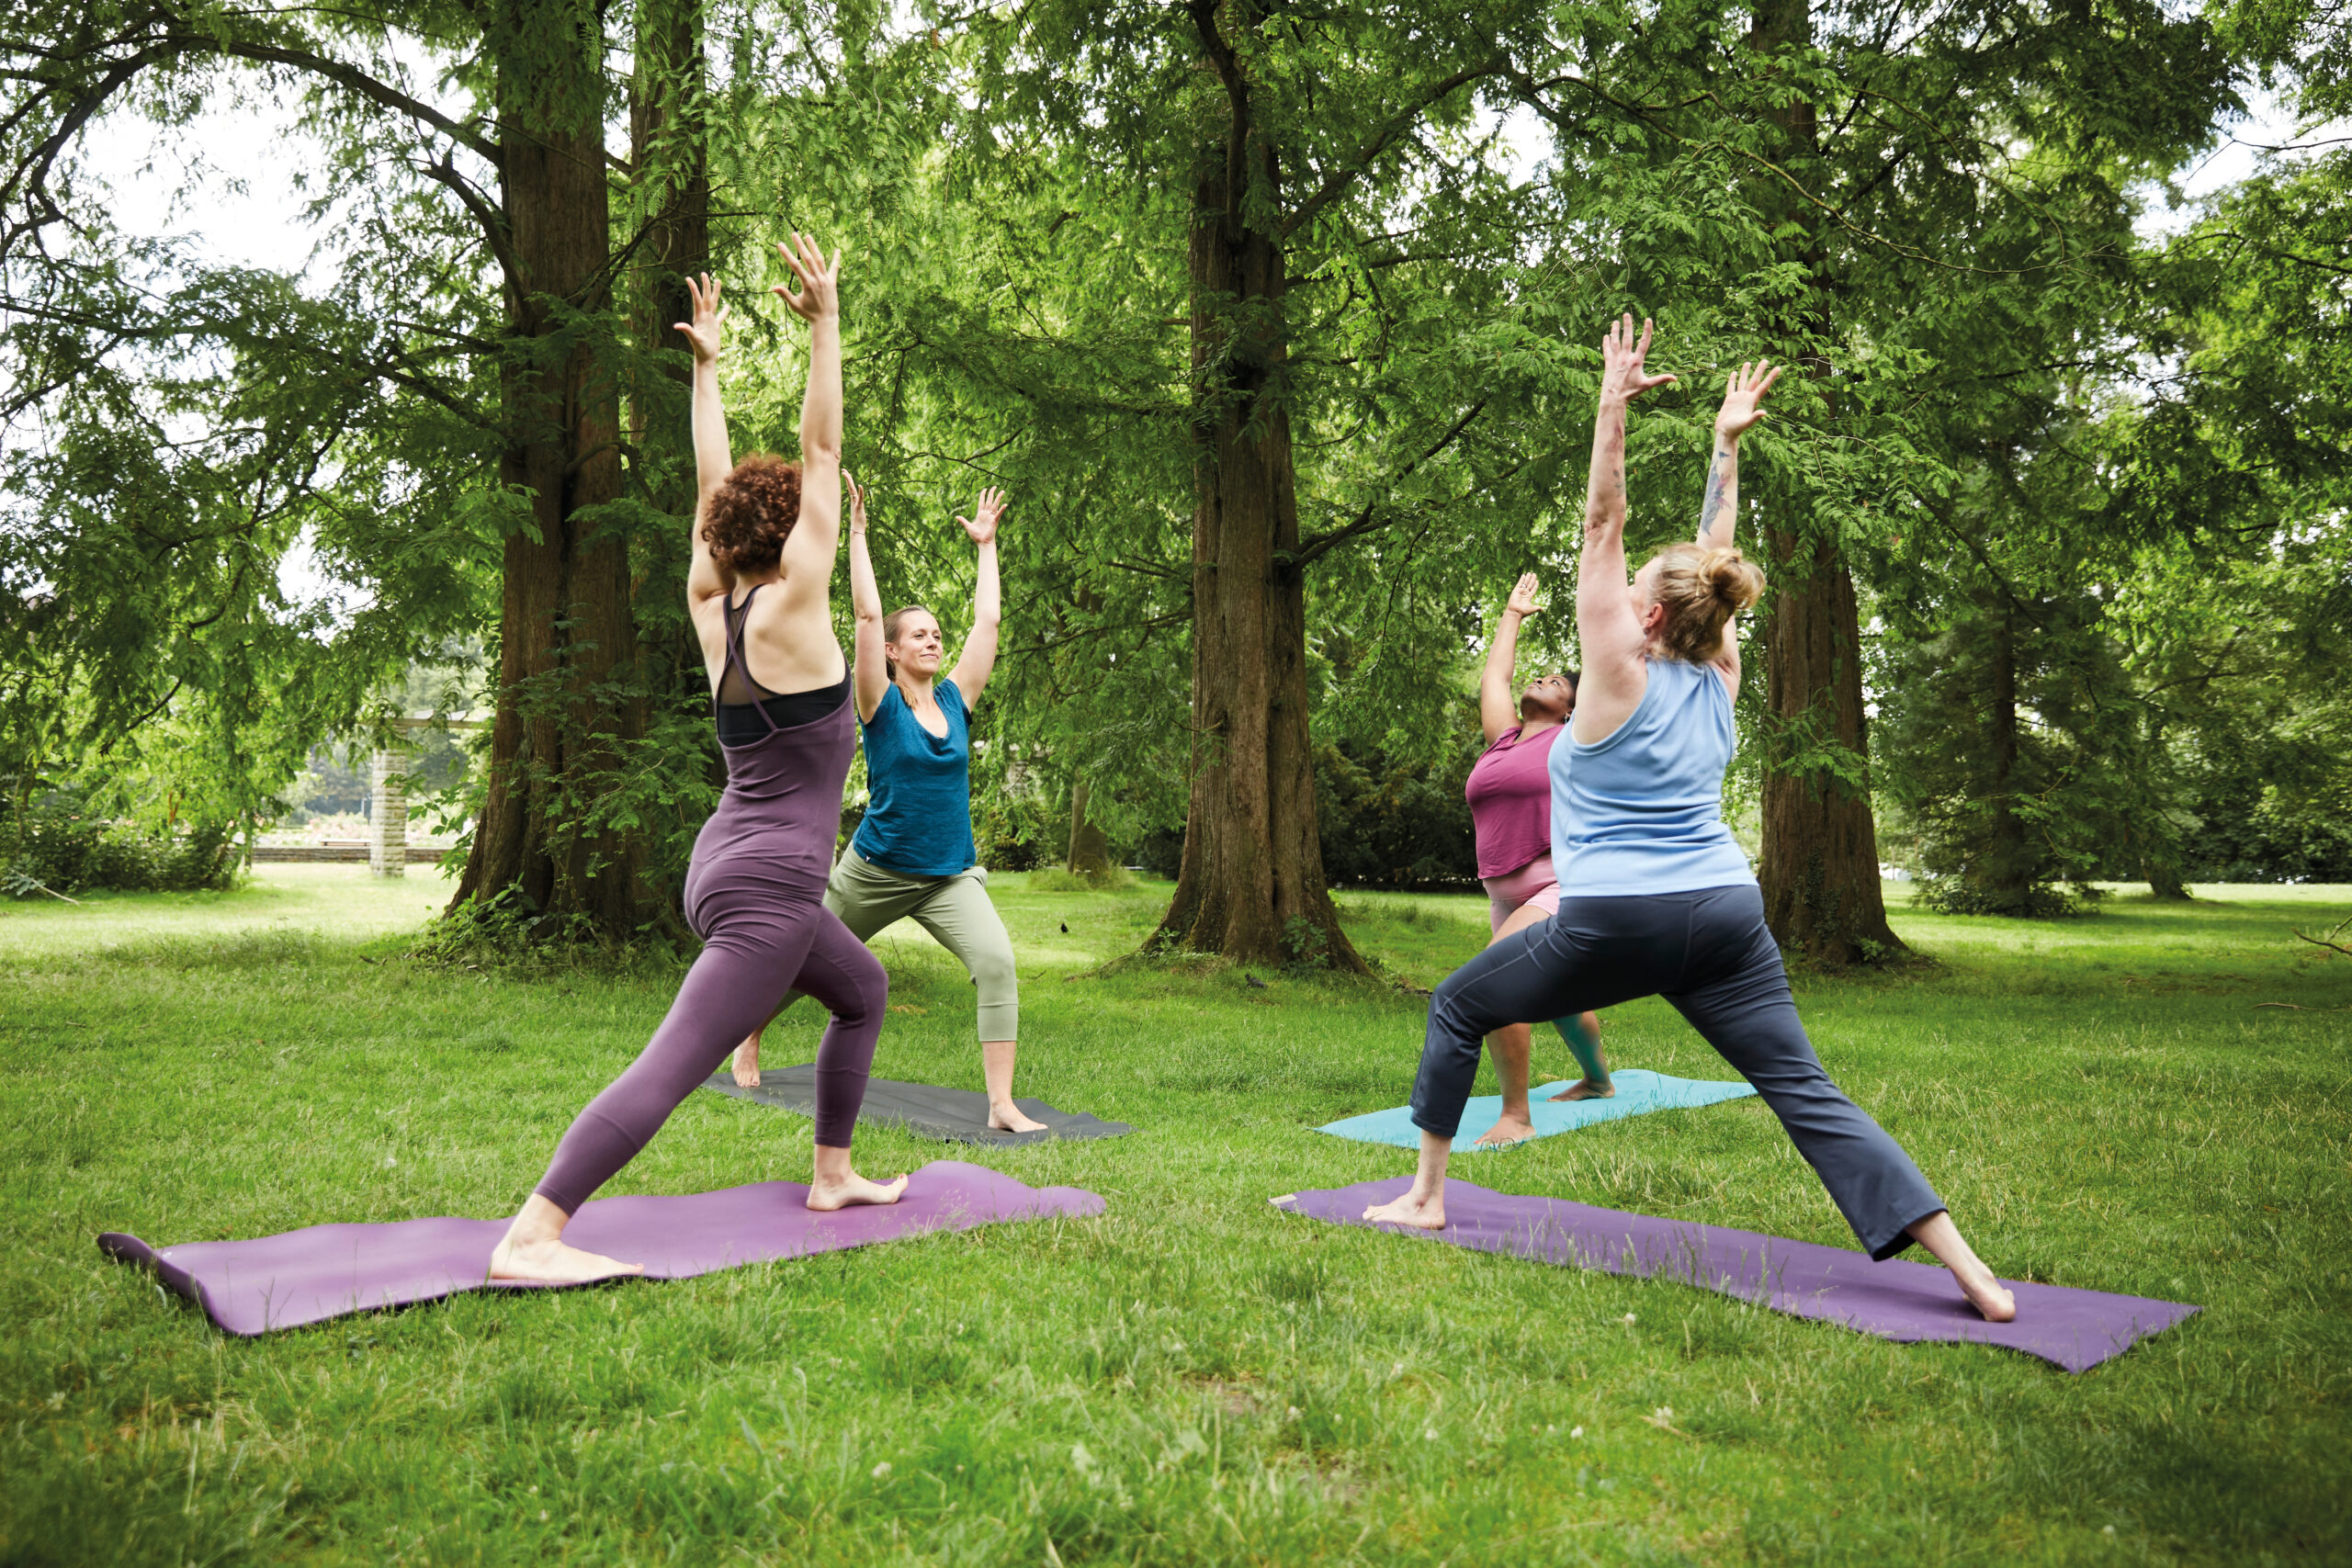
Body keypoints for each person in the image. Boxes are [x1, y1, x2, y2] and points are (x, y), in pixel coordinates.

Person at [1364, 317, 2016, 1323]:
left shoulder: (1616, 672)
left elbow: (1602, 527)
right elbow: (1711, 560)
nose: (1618, 594)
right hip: (1722, 913)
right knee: (1807, 1090)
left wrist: (1610, 410)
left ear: (1652, 618)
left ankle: (1423, 1198)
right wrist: (1724, 445)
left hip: (1618, 920)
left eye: (1633, 594)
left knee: (1458, 1006)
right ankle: (1970, 1270)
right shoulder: (1719, 667)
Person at [490, 238, 902, 1286]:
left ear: (722, 542)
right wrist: (823, 324)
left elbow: (711, 485)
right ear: (792, 537)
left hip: (723, 864)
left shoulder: (713, 607)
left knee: (859, 989)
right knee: (673, 1066)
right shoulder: (802, 607)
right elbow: (819, 455)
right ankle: (531, 1233)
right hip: (766, 887)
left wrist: (709, 371)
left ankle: (833, 1172)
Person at [729, 478, 1045, 1134]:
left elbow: (988, 622)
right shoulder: (880, 704)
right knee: (800, 963)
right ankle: (749, 1030)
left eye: (937, 633)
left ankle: (1002, 1103)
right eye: (920, 636)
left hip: (948, 875)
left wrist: (987, 546)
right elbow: (867, 618)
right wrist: (860, 534)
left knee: (996, 962)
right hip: (874, 871)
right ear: (895, 653)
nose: (934, 641)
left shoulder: (957, 700)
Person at [1463, 573, 1609, 1148]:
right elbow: (1494, 676)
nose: (1543, 677)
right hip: (1502, 894)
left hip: (1555, 885)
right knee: (1559, 1000)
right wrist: (1512, 613)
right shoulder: (1503, 739)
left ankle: (1515, 1115)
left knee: (1495, 980)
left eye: (1558, 682)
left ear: (1573, 710)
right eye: (1541, 674)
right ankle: (1598, 1081)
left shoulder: (1573, 743)